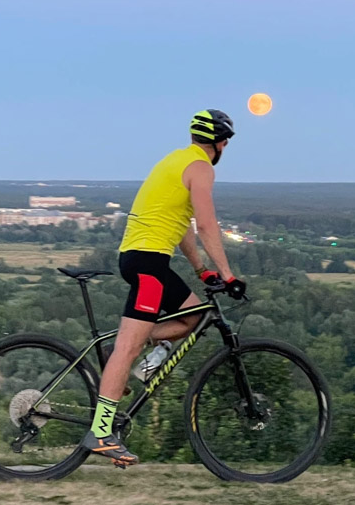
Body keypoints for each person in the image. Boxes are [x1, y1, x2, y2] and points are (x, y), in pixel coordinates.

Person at [82, 109, 247, 466]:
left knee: (192, 318)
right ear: (221, 143)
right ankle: (100, 432)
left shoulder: (176, 161)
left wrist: (202, 270)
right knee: (129, 347)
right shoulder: (202, 168)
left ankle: (127, 350)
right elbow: (205, 224)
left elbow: (181, 224)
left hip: (145, 260)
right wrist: (228, 274)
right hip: (148, 265)